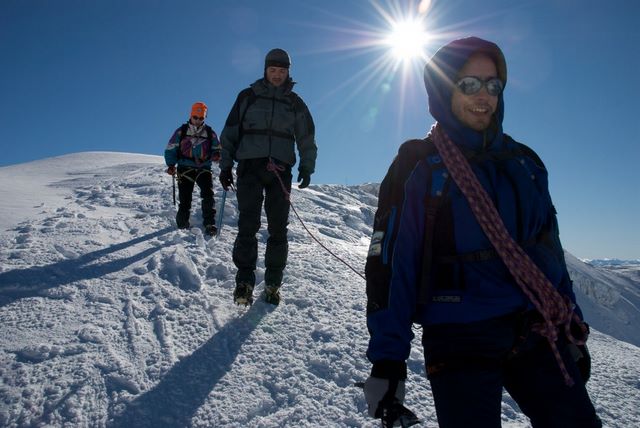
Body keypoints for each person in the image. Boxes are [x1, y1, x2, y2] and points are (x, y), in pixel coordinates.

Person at [363, 37, 601, 427]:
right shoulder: (419, 164)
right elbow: (393, 265)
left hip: (534, 326)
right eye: (469, 84)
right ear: (444, 89)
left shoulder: (525, 163)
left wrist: (570, 322)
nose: (484, 95)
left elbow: (549, 252)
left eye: (493, 85)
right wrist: (389, 360)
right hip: (458, 333)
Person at [219, 48, 317, 306]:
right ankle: (244, 282)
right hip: (250, 167)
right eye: (273, 70)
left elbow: (306, 138)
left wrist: (307, 166)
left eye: (281, 71)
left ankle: (273, 283)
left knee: (278, 229)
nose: (277, 75)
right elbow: (230, 132)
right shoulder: (247, 96)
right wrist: (225, 166)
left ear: (288, 73)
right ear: (265, 70)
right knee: (247, 225)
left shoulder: (295, 103)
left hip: (280, 171)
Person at [165, 101, 221, 236]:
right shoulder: (182, 131)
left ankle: (209, 223)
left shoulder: (210, 133)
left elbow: (217, 148)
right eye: (195, 117)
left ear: (204, 118)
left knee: (208, 195)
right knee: (185, 197)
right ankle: (182, 223)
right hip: (184, 167)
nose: (198, 120)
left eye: (201, 118)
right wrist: (171, 165)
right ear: (191, 116)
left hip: (204, 168)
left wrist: (216, 155)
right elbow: (171, 148)